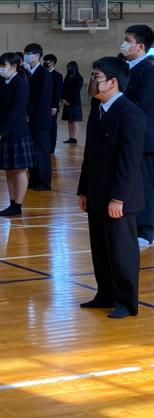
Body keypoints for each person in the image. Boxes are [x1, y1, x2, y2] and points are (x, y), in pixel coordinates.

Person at [78, 57, 146, 319]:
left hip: (119, 196)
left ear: (113, 82)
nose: (93, 82)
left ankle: (126, 303)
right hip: (96, 193)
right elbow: (89, 155)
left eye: (97, 77)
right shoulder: (98, 109)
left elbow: (128, 162)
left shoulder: (130, 113)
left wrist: (118, 198)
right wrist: (83, 190)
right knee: (101, 248)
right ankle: (105, 294)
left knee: (121, 251)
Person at [0, 53, 36, 217]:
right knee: (8, 170)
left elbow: (16, 112)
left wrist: (1, 133)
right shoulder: (0, 83)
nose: (1, 69)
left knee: (19, 170)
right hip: (1, 133)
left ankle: (18, 204)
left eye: (4, 65)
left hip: (16, 133)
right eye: (0, 65)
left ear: (14, 66)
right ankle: (11, 203)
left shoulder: (20, 84)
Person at [120, 25, 154, 247]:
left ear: (140, 46)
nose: (124, 44)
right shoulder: (124, 68)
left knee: (146, 184)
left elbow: (142, 104)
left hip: (143, 136)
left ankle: (147, 231)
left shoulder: (149, 70)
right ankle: (132, 225)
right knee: (129, 182)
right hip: (125, 135)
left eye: (128, 40)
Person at [23, 43, 53, 191]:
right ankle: (34, 179)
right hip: (28, 120)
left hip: (39, 119)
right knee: (32, 151)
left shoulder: (44, 74)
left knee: (41, 152)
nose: (26, 55)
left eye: (29, 53)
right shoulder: (27, 73)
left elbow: (43, 98)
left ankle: (44, 181)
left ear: (37, 55)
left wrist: (29, 113)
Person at [43, 54, 63, 154]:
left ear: (53, 63)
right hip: (43, 106)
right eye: (45, 61)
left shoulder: (57, 76)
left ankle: (51, 147)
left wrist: (54, 106)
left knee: (52, 127)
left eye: (48, 61)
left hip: (52, 106)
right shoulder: (43, 74)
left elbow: (57, 92)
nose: (45, 63)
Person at [62, 61, 84, 144]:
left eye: (70, 67)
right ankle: (70, 137)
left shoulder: (79, 78)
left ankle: (74, 138)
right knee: (69, 120)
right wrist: (63, 98)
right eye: (68, 67)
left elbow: (76, 90)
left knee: (74, 120)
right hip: (66, 101)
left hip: (74, 101)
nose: (68, 69)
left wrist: (69, 101)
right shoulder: (67, 77)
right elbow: (63, 88)